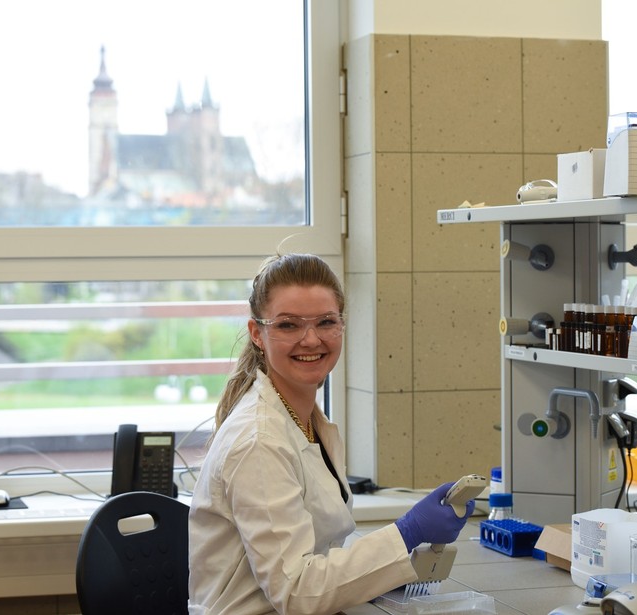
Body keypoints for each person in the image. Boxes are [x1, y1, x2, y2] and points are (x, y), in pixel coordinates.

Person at [188, 253, 474, 615]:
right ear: (257, 334)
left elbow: (314, 555)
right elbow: (295, 592)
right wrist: (405, 534)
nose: (311, 340)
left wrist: (387, 567)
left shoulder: (304, 420)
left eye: (326, 322)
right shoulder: (258, 441)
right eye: (288, 325)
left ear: (341, 325)